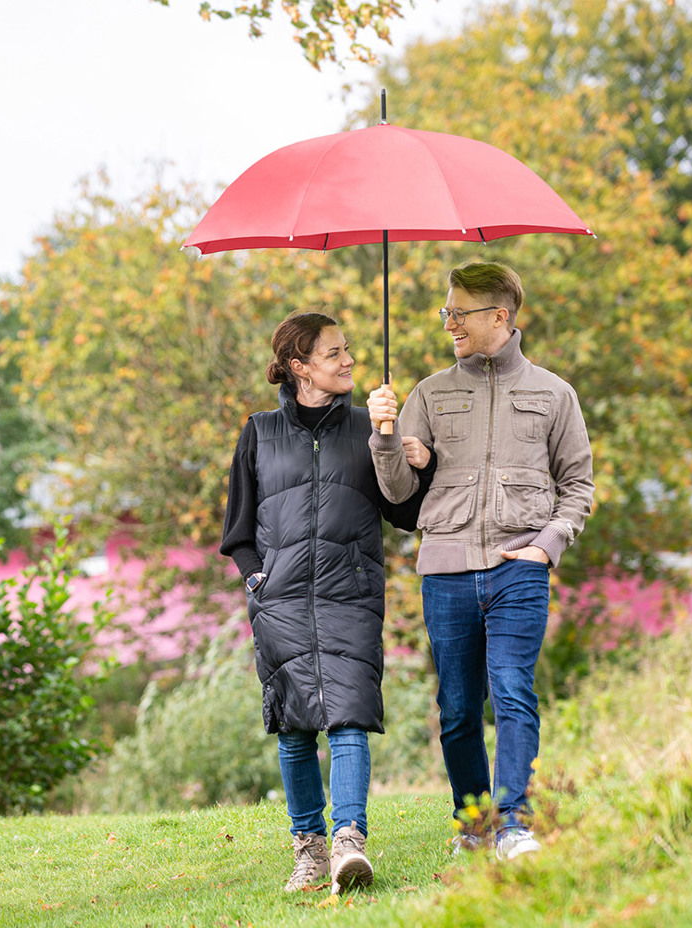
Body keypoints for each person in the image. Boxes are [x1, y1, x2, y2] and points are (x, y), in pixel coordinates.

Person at [366, 261, 594, 861]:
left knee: (514, 689)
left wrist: (547, 545)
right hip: (445, 568)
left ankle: (515, 824)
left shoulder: (554, 394)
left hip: (520, 564)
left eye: (458, 313)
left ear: (501, 316)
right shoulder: (428, 394)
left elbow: (578, 486)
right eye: (446, 312)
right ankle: (475, 823)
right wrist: (387, 437)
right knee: (458, 707)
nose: (449, 324)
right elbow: (394, 492)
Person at [221, 311, 434, 893]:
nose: (349, 361)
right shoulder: (259, 432)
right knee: (294, 727)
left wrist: (408, 453)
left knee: (349, 718)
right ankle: (309, 852)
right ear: (299, 366)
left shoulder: (369, 426)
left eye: (349, 350)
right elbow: (238, 529)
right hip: (280, 599)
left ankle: (348, 844)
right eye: (335, 353)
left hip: (350, 594)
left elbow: (405, 512)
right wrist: (256, 582)